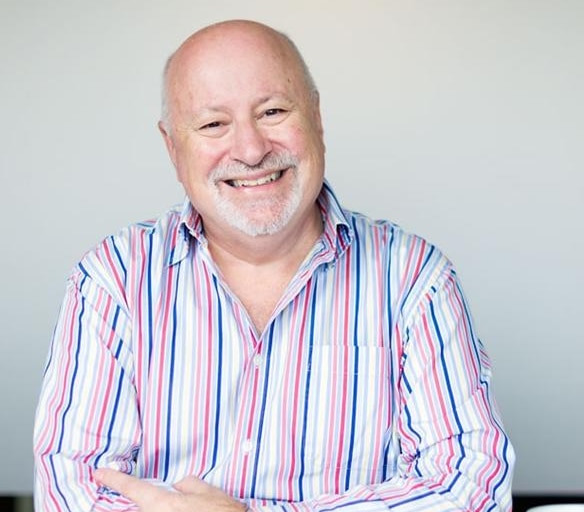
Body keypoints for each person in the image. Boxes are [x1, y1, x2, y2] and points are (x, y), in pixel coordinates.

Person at [33, 19, 513, 511]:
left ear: (317, 118)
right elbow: (72, 493)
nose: (251, 149)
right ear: (172, 148)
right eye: (213, 124)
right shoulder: (111, 282)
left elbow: (469, 488)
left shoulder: (416, 281)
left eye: (274, 111)